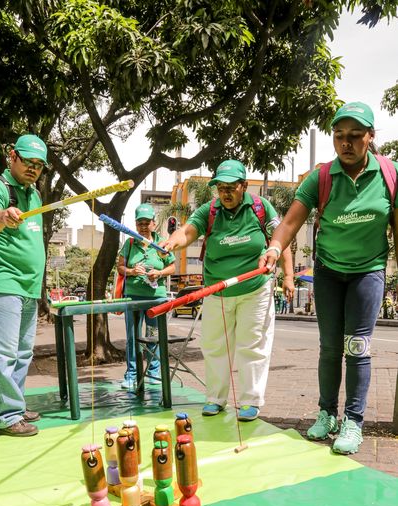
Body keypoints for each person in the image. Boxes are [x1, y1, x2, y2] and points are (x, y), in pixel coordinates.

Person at [260, 101, 398, 454]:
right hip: (328, 270)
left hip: (368, 271)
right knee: (329, 348)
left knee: (358, 347)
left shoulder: (389, 175)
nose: (346, 143)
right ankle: (327, 413)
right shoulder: (321, 177)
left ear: (371, 137)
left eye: (355, 136)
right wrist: (275, 249)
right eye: (339, 136)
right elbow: (290, 221)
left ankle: (354, 421)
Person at [163, 159, 294, 421]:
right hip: (217, 291)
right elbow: (188, 231)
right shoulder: (209, 210)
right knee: (215, 346)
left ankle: (250, 401)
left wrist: (288, 276)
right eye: (220, 187)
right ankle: (215, 398)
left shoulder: (259, 208)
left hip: (254, 289)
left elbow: (281, 239)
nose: (225, 193)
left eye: (231, 187)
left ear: (244, 186)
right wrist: (172, 242)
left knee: (252, 345)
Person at [0, 134, 48, 437]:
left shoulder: (35, 195)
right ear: (12, 156)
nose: (33, 168)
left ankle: (15, 405)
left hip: (29, 287)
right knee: (4, 353)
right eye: (28, 161)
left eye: (39, 165)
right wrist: (3, 216)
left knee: (22, 353)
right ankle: (8, 415)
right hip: (3, 283)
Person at [117, 204, 176, 390]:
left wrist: (159, 274)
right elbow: (120, 267)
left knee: (153, 336)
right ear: (135, 224)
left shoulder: (161, 244)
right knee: (133, 337)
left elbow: (172, 267)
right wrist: (132, 271)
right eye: (140, 223)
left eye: (147, 222)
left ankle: (153, 372)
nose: (143, 226)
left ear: (154, 223)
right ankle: (132, 374)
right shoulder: (130, 243)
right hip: (133, 299)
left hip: (155, 300)